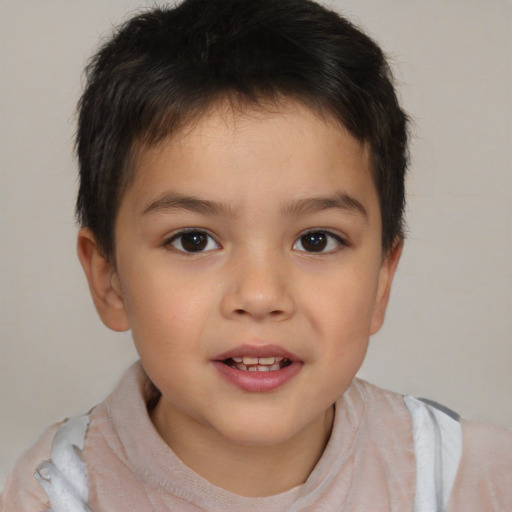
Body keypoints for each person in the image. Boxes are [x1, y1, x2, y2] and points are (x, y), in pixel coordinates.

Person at [1, 0, 510, 510]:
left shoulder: (465, 479)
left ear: (381, 278)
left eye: (316, 240)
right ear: (108, 278)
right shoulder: (56, 493)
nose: (261, 295)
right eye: (193, 240)